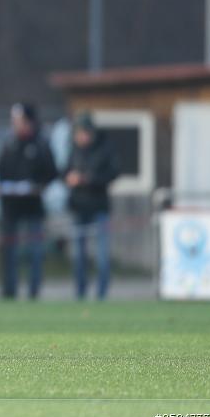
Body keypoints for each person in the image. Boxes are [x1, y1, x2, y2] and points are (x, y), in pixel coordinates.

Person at [0, 102, 57, 300]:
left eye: (20, 120)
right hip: (11, 207)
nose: (16, 124)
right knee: (9, 251)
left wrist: (36, 185)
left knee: (34, 251)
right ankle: (9, 290)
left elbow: (51, 172)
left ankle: (33, 290)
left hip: (33, 206)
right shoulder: (8, 143)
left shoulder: (40, 144)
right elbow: (0, 169)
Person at [64, 111, 120, 300]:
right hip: (78, 207)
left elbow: (113, 173)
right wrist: (69, 178)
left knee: (102, 256)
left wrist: (88, 179)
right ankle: (80, 293)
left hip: (99, 208)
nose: (80, 136)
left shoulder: (104, 149)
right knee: (78, 256)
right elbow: (64, 171)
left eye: (83, 132)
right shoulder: (74, 150)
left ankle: (101, 294)